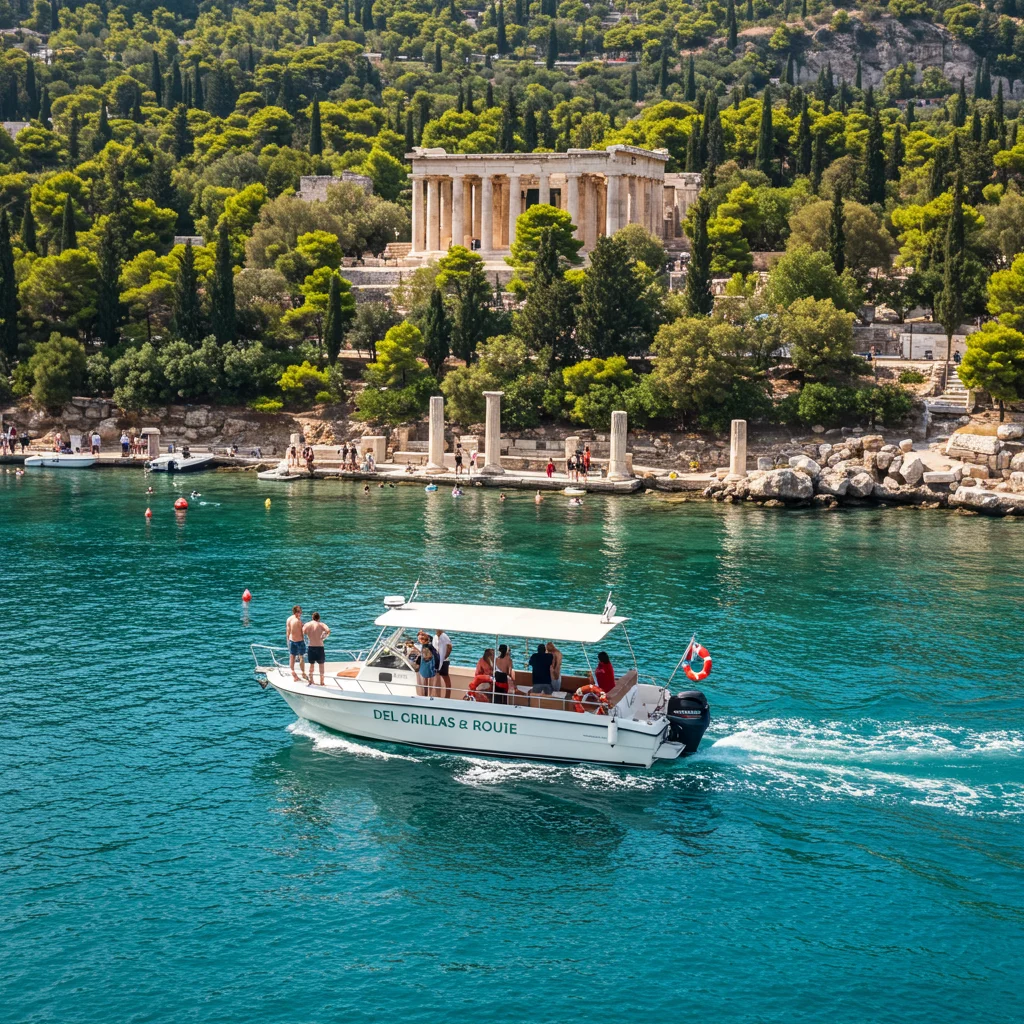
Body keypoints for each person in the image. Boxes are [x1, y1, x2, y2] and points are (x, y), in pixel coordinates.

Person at [303, 612, 331, 685]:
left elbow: (303, 632)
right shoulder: (321, 624)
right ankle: (322, 681)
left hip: (311, 646)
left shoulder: (307, 624)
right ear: (319, 618)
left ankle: (311, 680)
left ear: (312, 617)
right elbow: (328, 630)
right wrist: (323, 637)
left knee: (311, 664)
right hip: (320, 646)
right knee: (321, 664)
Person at [286, 605, 307, 682]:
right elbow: (303, 632)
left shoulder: (289, 619)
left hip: (292, 641)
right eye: (299, 612)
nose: (300, 613)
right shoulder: (298, 621)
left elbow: (288, 632)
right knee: (301, 657)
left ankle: (292, 671)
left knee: (292, 656)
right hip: (299, 641)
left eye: (301, 611)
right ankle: (303, 673)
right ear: (295, 612)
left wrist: (288, 641)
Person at [434, 627, 452, 699]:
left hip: (444, 661)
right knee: (436, 678)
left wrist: (444, 657)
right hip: (437, 660)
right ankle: (437, 696)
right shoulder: (434, 637)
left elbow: (450, 647)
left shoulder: (445, 636)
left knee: (446, 679)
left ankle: (447, 697)